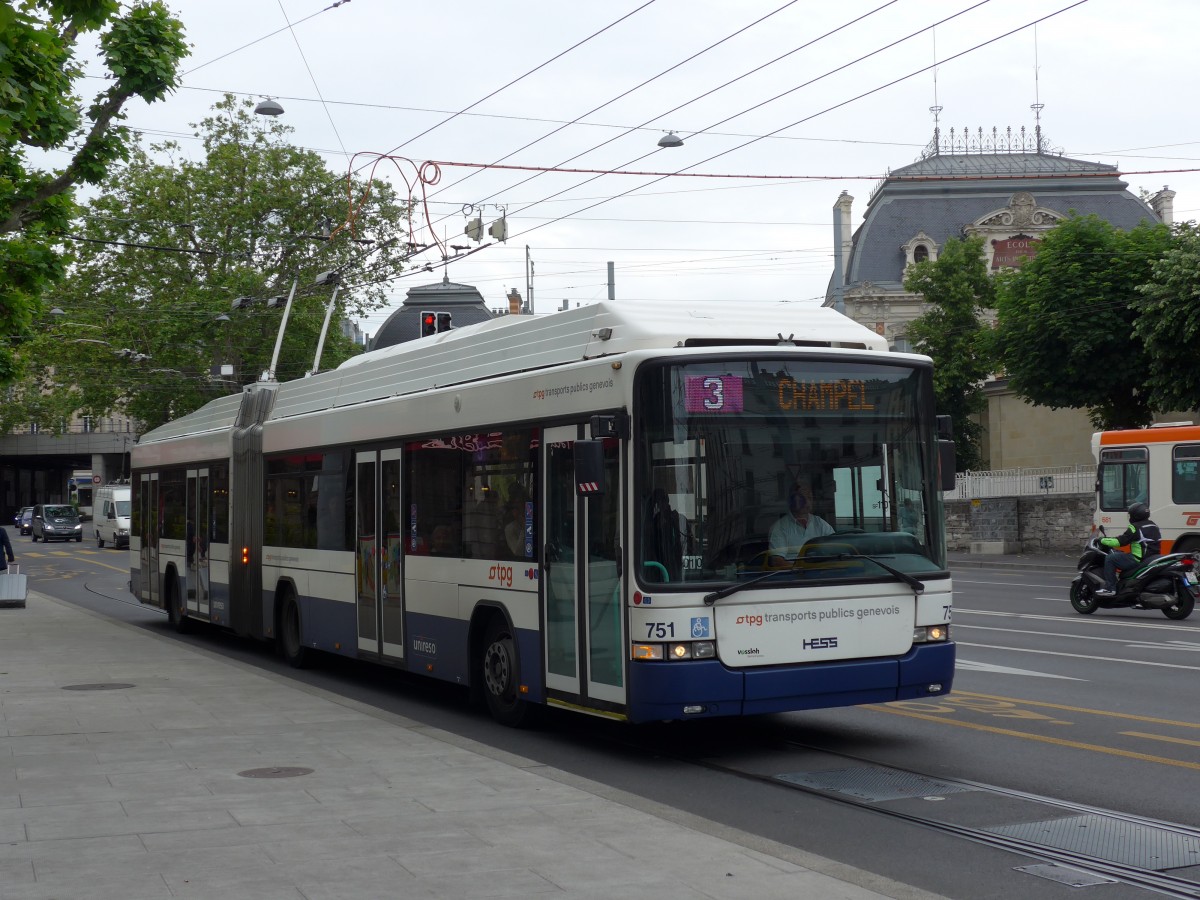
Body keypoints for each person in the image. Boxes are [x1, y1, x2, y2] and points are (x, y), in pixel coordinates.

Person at [1095, 502, 1161, 597]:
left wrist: (1102, 540)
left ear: (1135, 515)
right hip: (1152, 558)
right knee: (1119, 554)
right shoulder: (1153, 525)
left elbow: (1120, 542)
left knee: (1110, 558)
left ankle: (1110, 588)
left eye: (1130, 514)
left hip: (1138, 559)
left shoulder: (1135, 527)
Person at [768, 482, 833, 561]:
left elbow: (836, 546)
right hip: (793, 572)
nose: (807, 502)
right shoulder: (780, 528)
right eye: (802, 498)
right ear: (792, 501)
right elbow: (777, 561)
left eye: (809, 497)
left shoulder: (819, 523)